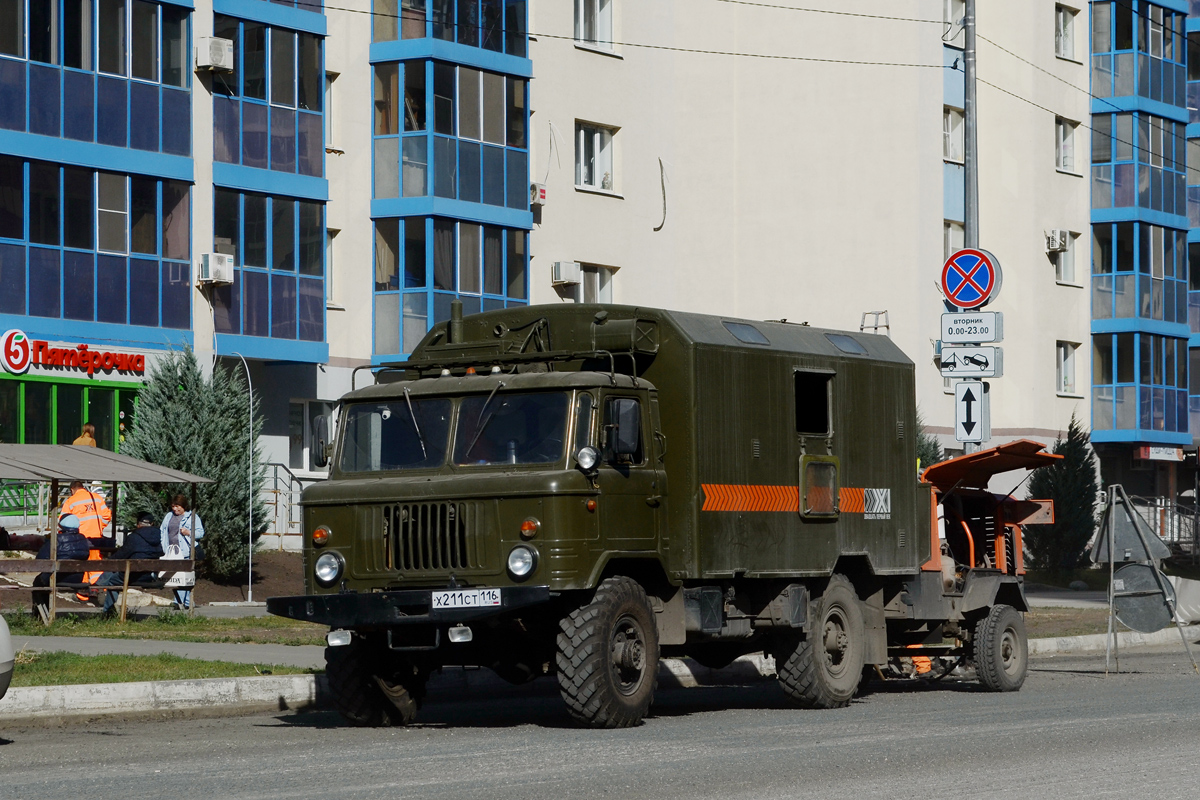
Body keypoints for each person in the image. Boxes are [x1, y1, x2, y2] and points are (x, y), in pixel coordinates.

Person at [94, 512, 166, 615]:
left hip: (133, 576)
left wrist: (108, 560)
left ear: (138, 524)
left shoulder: (134, 537)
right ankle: (98, 586)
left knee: (113, 580)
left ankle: (107, 610)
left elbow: (120, 556)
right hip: (150, 576)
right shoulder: (160, 537)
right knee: (115, 571)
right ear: (152, 524)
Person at [30, 514, 92, 616]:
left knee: (38, 583)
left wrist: (46, 544)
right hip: (77, 579)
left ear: (61, 525)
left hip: (57, 579)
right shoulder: (83, 540)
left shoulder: (56, 540)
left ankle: (41, 615)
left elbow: (40, 560)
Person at [61, 480, 113, 601]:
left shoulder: (71, 501)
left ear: (72, 490)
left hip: (80, 539)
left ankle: (83, 593)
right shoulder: (97, 498)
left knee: (82, 564)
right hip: (96, 538)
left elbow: (63, 521)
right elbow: (107, 516)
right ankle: (99, 589)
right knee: (96, 563)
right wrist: (99, 526)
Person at [160, 495, 204, 609]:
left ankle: (179, 602)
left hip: (185, 551)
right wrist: (162, 544)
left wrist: (188, 532)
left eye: (178, 506)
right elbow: (162, 531)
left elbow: (200, 533)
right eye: (173, 506)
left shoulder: (192, 517)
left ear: (184, 506)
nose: (175, 509)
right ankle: (188, 602)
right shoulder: (168, 516)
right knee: (176, 577)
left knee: (183, 576)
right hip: (170, 551)